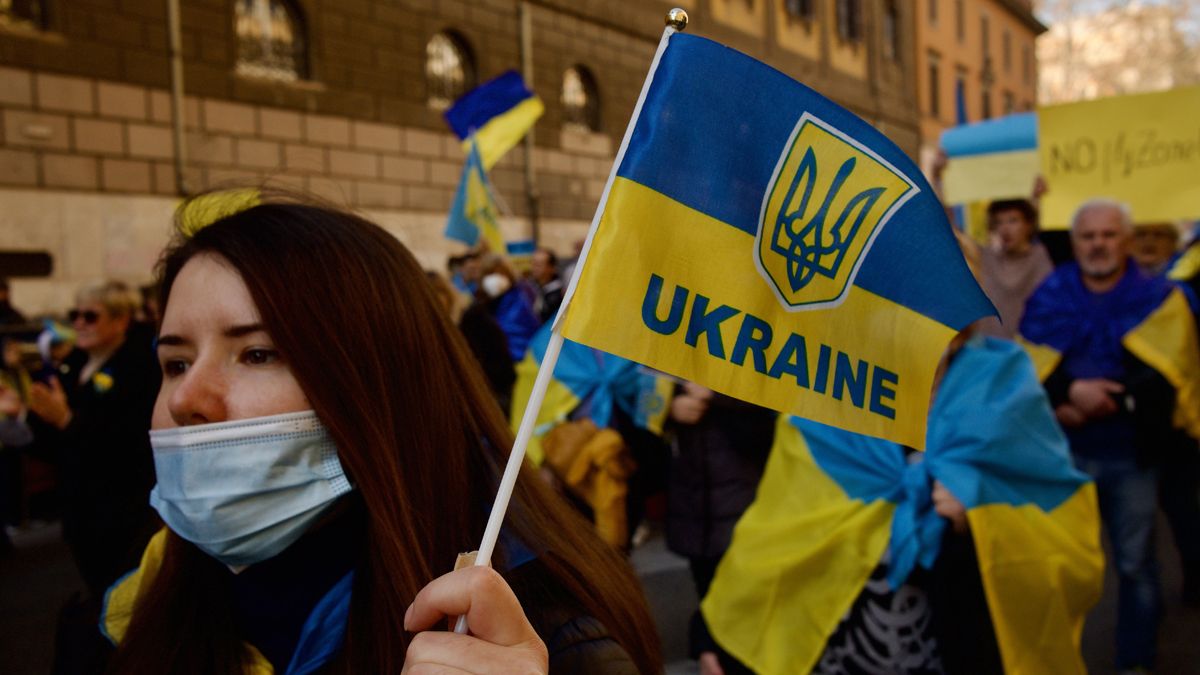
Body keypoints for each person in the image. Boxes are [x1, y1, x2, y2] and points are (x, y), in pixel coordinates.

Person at [99, 192, 661, 674]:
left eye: (257, 353)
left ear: (381, 384)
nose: (184, 400)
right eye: (174, 363)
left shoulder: (544, 639)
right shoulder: (132, 605)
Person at [1021, 199, 1200, 672]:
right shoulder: (1049, 295)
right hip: (1062, 454)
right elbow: (1029, 366)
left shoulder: (1163, 299)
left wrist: (1111, 402)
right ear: (1074, 241)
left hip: (1132, 456)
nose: (1098, 244)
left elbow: (1173, 375)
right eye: (1088, 236)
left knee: (1135, 562)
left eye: (1108, 235)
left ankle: (1134, 660)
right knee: (1057, 563)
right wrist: (1068, 393)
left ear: (1127, 239)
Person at [24, 281, 160, 596]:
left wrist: (67, 420)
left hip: (122, 511)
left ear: (120, 320)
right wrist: (28, 418)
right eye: (75, 315)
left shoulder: (139, 367)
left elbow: (128, 445)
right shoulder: (74, 364)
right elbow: (51, 441)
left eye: (91, 316)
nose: (80, 324)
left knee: (124, 591)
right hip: (79, 507)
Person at [664, 382, 774, 675]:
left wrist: (717, 396)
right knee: (709, 597)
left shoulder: (757, 353)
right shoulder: (672, 355)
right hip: (693, 513)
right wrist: (668, 409)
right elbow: (641, 420)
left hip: (745, 513)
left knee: (746, 620)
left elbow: (771, 427)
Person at [976, 198, 1053, 339]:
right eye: (999, 222)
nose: (1005, 229)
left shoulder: (1041, 257)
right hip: (991, 352)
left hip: (1031, 352)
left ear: (1028, 225)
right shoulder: (984, 257)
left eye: (1013, 220)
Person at [477, 252, 541, 362]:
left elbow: (524, 330)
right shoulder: (479, 303)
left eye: (500, 273)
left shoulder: (521, 298)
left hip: (514, 359)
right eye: (490, 273)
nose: (495, 278)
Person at [529, 248, 565, 324]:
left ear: (552, 268)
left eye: (539, 265)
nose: (535, 268)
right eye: (533, 263)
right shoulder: (530, 286)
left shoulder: (559, 294)